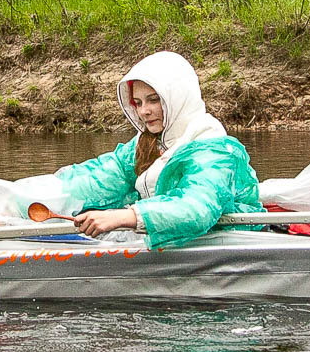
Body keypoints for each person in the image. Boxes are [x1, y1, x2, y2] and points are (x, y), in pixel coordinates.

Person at [57, 51, 264, 248]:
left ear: (177, 98)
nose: (143, 111)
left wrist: (125, 216)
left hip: (226, 246)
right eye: (138, 103)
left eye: (153, 100)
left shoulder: (213, 149)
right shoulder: (146, 143)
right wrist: (49, 191)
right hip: (174, 247)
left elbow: (197, 208)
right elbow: (102, 176)